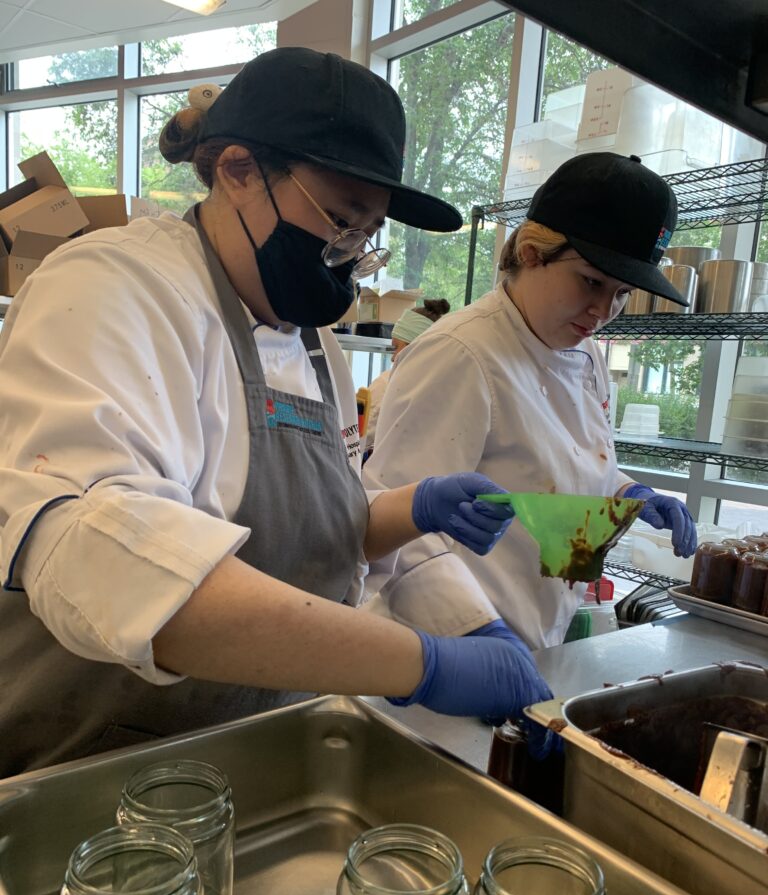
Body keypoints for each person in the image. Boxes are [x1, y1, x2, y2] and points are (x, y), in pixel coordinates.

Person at [0, 47, 555, 779]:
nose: (347, 249)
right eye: (340, 217)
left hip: (252, 755)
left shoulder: (316, 344)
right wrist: (423, 663)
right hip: (89, 772)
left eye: (365, 231)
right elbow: (105, 554)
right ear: (237, 170)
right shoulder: (113, 287)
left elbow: (318, 531)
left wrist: (407, 510)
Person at [363, 152, 698, 652]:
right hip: (445, 651)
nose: (604, 312)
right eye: (591, 282)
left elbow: (560, 470)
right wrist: (472, 629)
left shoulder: (582, 353)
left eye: (622, 294)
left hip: (540, 638)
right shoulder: (463, 353)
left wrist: (624, 493)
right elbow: (395, 529)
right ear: (532, 252)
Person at [364, 298, 450, 455]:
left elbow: (357, 439)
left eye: (396, 347)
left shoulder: (388, 383)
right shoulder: (446, 388)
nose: (392, 357)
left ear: (414, 348)